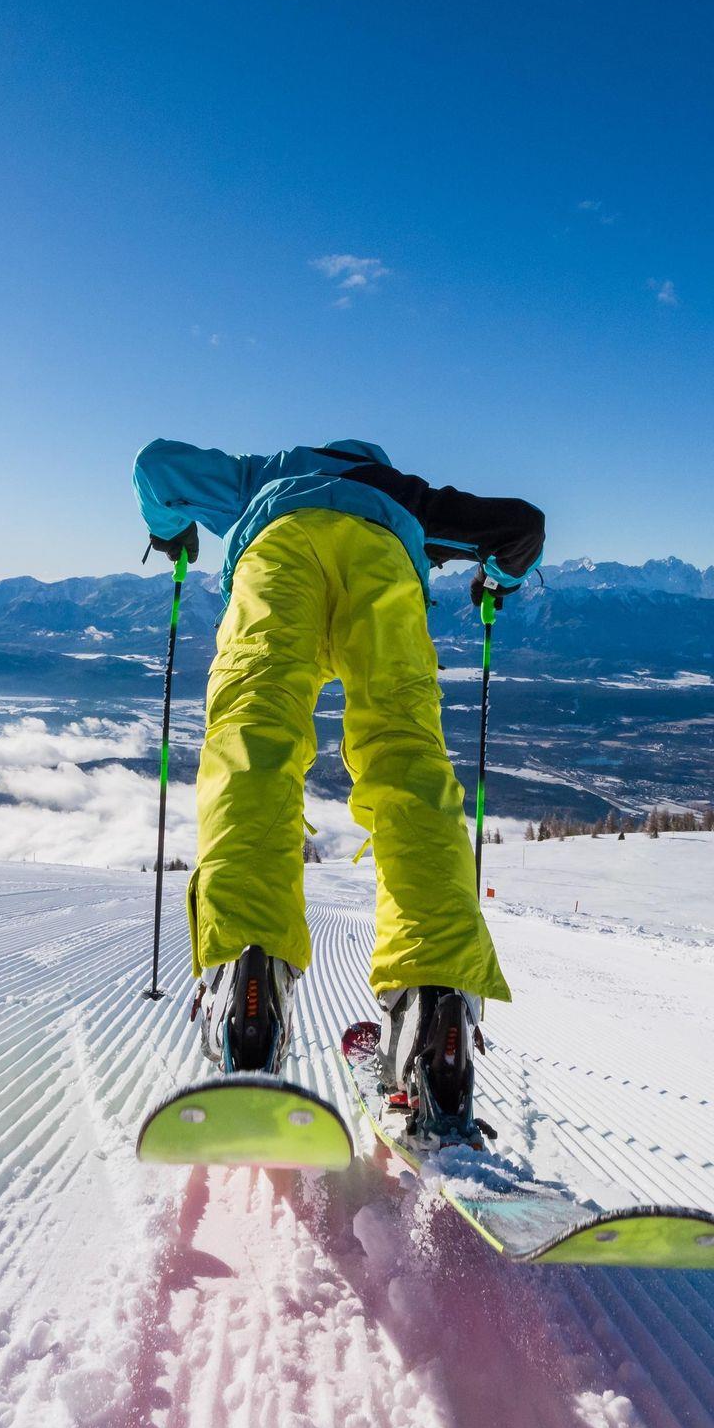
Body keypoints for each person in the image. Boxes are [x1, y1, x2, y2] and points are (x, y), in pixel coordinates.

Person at [133, 438, 544, 1141]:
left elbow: (156, 467)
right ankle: (432, 1008)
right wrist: (497, 582)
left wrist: (172, 534)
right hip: (383, 562)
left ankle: (247, 979)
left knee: (254, 737)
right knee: (405, 760)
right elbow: (521, 526)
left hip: (277, 553)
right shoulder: (407, 495)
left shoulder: (262, 477)